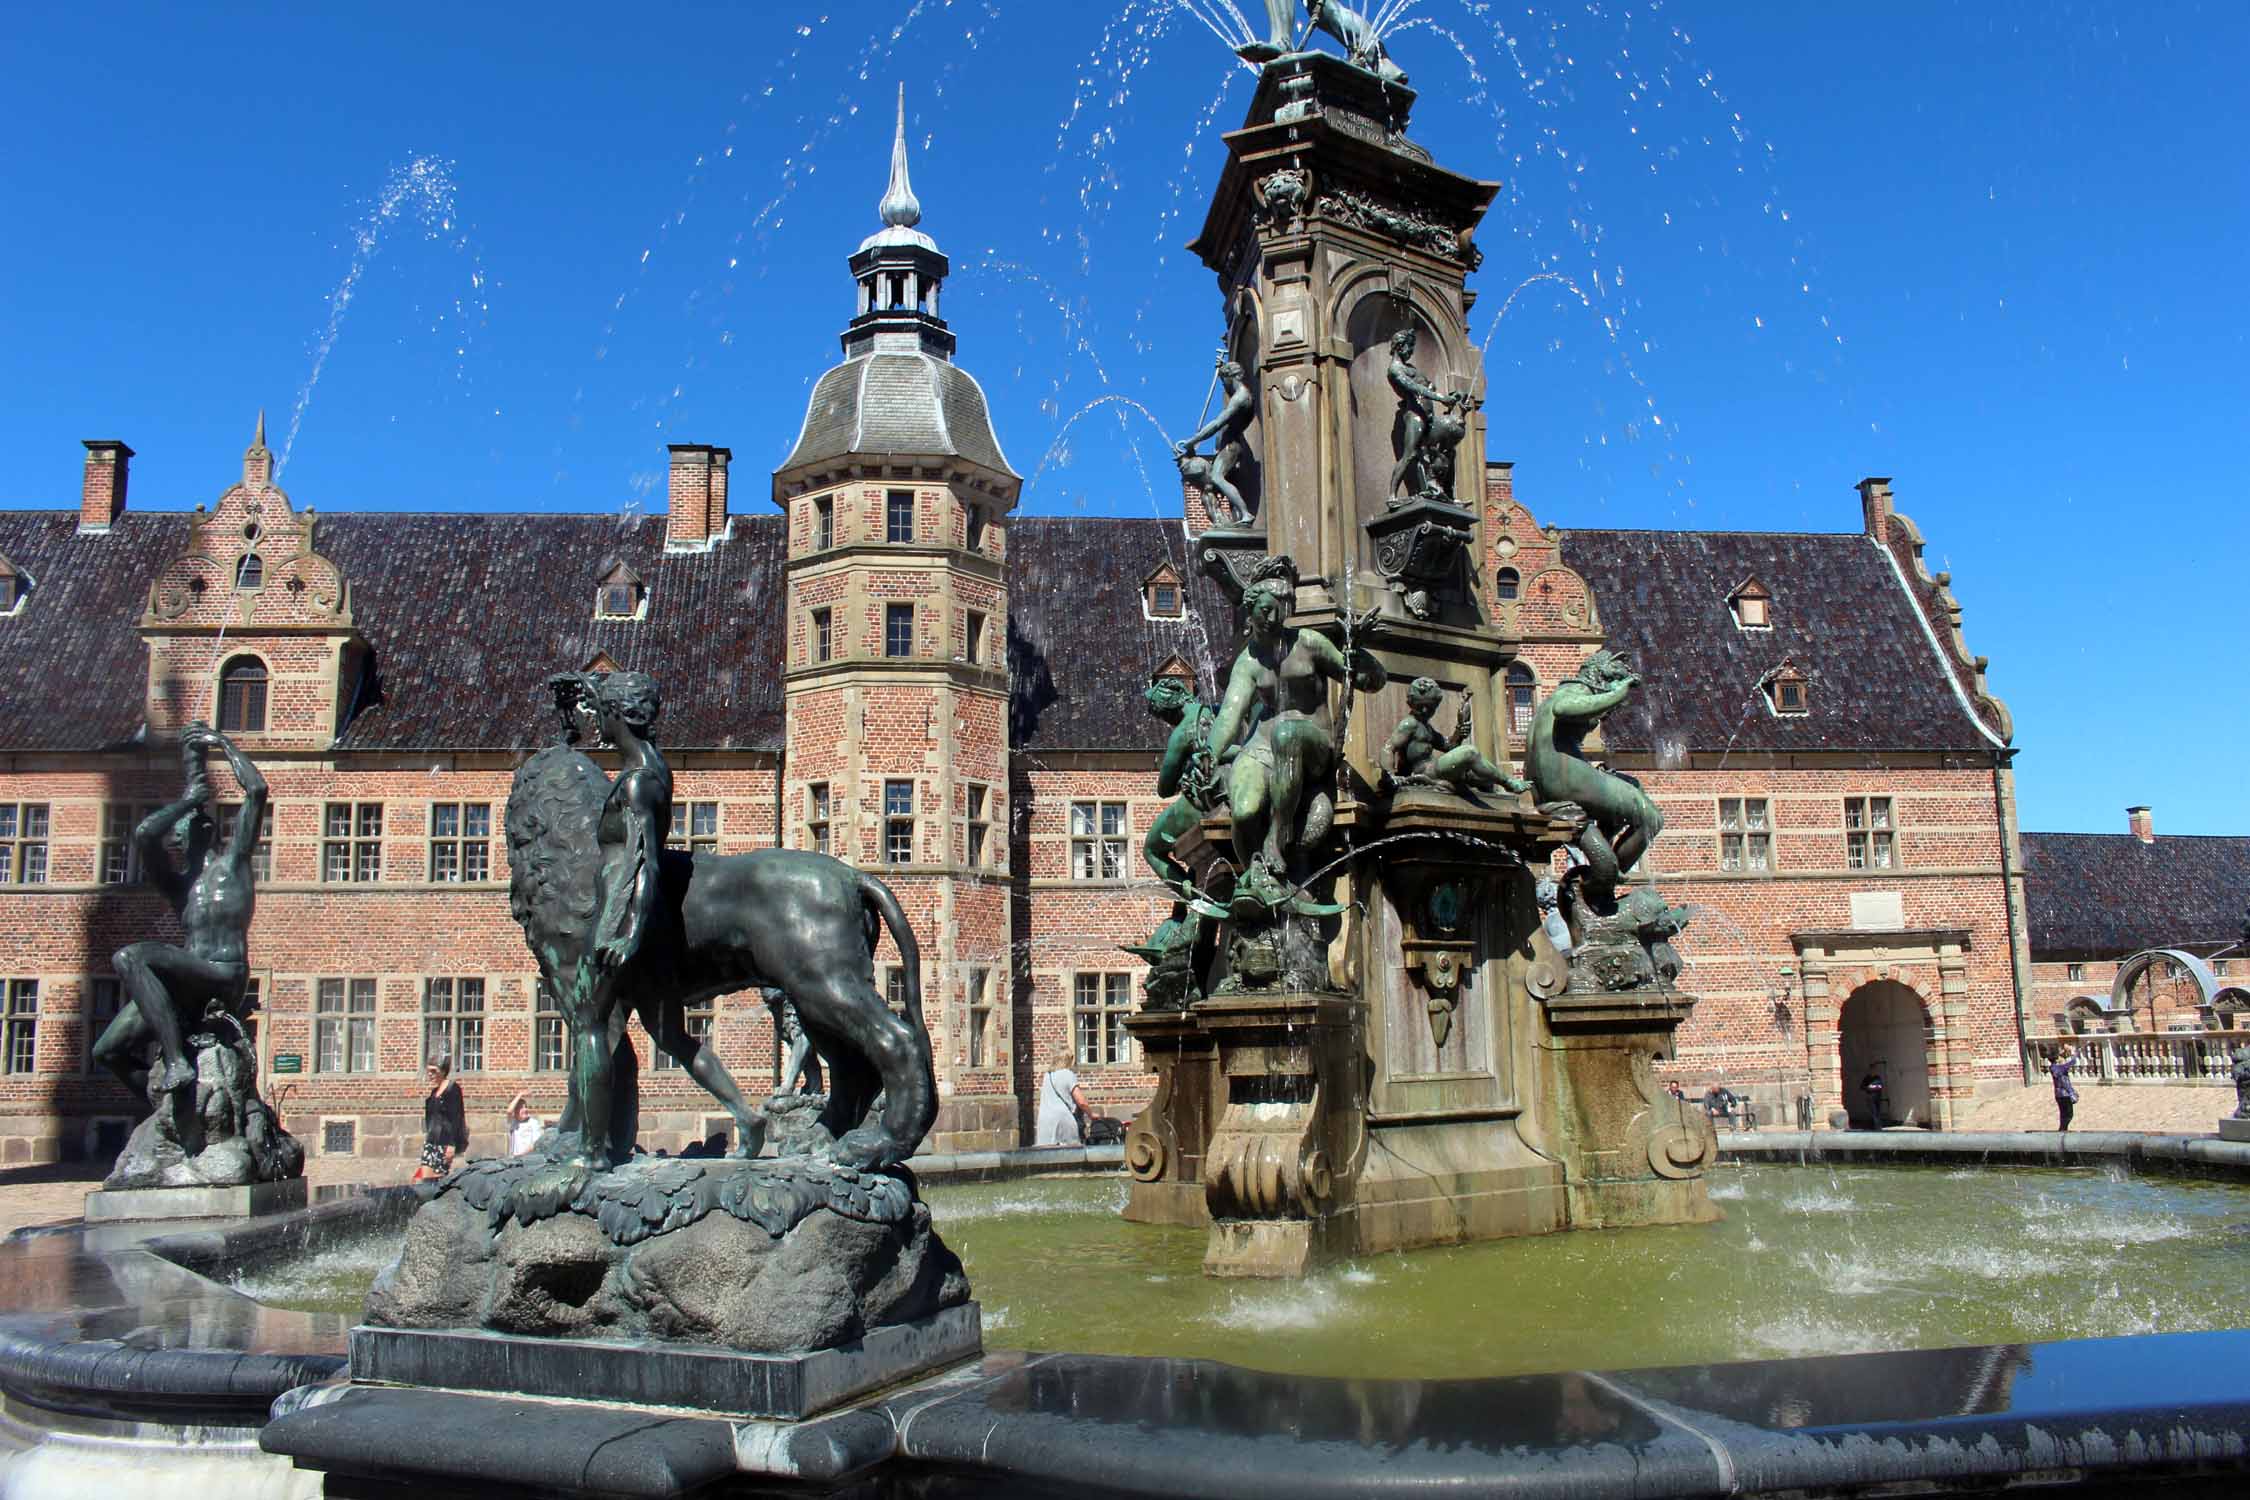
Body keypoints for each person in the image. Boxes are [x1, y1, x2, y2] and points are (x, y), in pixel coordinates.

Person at [93, 723, 265, 1098]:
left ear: (207, 830)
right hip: (186, 983)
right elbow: (143, 834)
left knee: (130, 957)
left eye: (189, 824)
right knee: (106, 1052)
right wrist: (188, 800)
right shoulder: (178, 886)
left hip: (223, 974)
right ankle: (170, 1107)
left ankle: (176, 1062)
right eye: (181, 827)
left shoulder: (234, 865)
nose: (180, 833)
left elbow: (257, 790)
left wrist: (222, 743)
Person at [416, 1057, 468, 1179]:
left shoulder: (452, 1089)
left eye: (434, 1071)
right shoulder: (434, 1092)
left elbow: (457, 1117)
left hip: (445, 1141)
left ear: (443, 1071)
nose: (430, 1074)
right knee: (425, 1178)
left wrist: (452, 1145)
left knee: (438, 1179)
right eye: (428, 1071)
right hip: (431, 1140)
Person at [1037, 1048, 1091, 1146]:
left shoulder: (1047, 1076)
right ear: (1068, 1060)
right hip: (1063, 1120)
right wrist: (1091, 1114)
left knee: (1046, 1154)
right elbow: (1081, 1102)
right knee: (1070, 1154)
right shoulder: (1068, 1074)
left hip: (1044, 1121)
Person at [506, 1091, 545, 1156]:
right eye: (521, 1108)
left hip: (528, 1160)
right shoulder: (513, 1122)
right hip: (514, 1160)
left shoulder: (533, 1122)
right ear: (515, 1111)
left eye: (525, 1107)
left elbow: (535, 1144)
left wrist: (521, 1155)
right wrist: (519, 1095)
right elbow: (509, 1111)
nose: (525, 1109)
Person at [2051, 1043, 2079, 1133]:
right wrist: (2073, 1053)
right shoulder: (2059, 1068)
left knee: (2064, 1115)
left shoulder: (2054, 1067)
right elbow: (2072, 1062)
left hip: (2059, 1095)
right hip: (2064, 1095)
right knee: (2068, 1114)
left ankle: (2063, 1129)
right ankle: (2062, 1130)